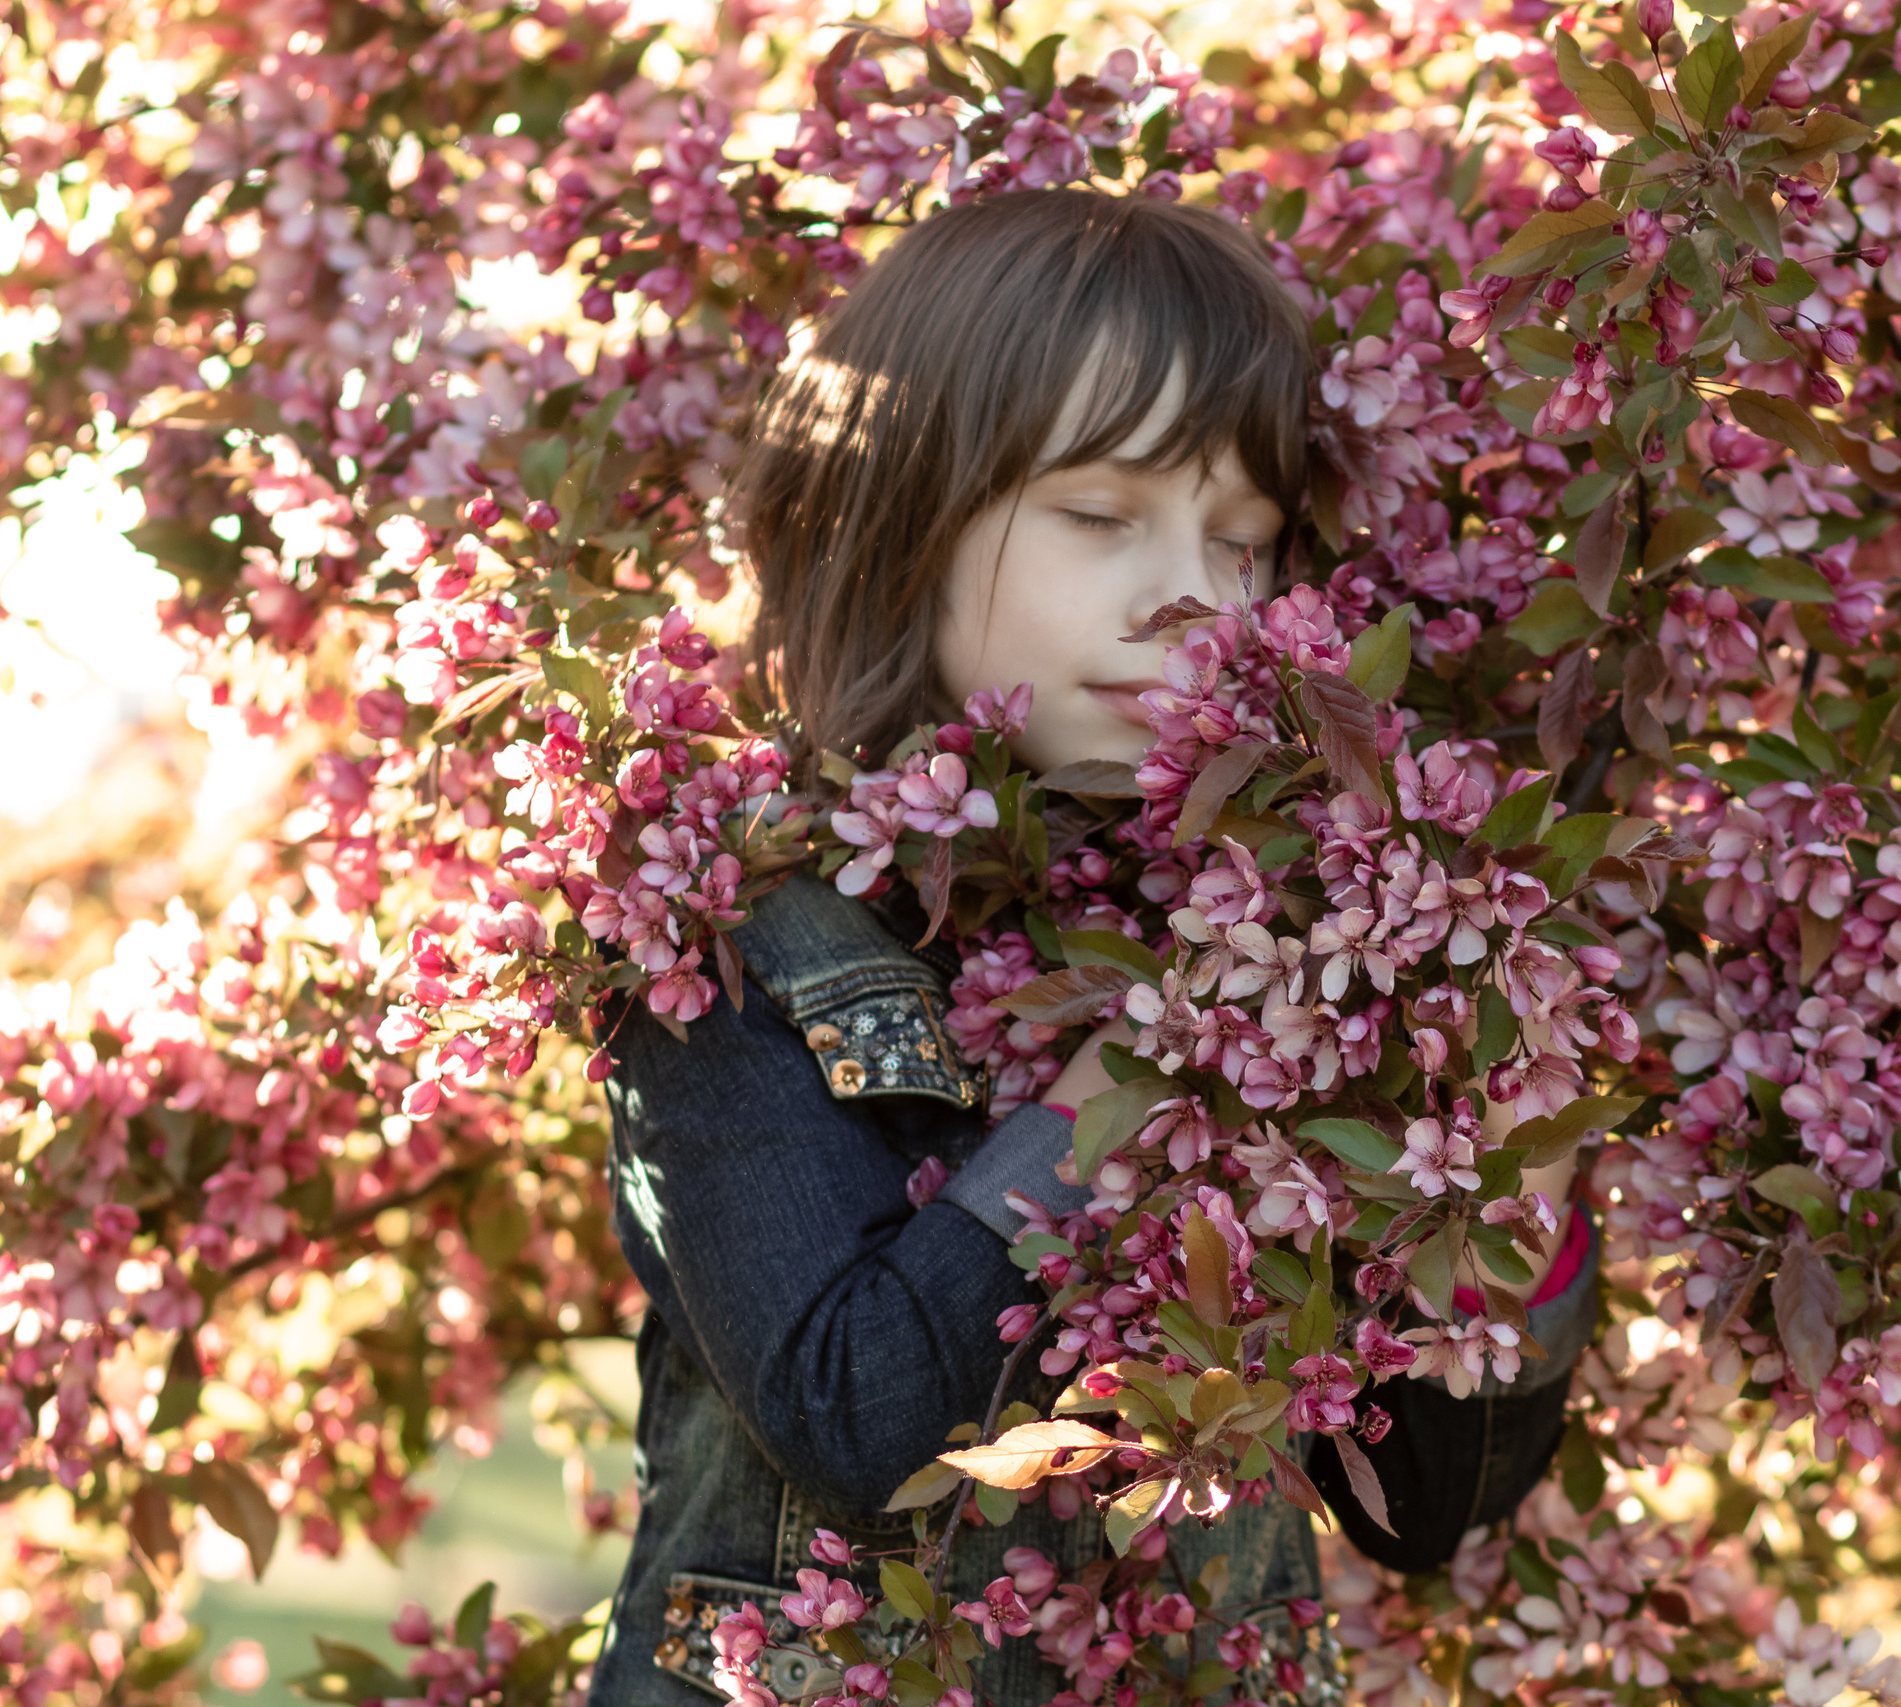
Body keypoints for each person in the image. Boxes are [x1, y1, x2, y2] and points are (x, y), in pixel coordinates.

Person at [593, 188, 1600, 1706]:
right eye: (1099, 516)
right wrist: (1144, 1077)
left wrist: (1520, 1206)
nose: (1188, 599)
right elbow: (859, 1415)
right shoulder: (729, 929)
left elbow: (1434, 1507)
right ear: (898, 515)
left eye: (1242, 540)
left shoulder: (1303, 939)